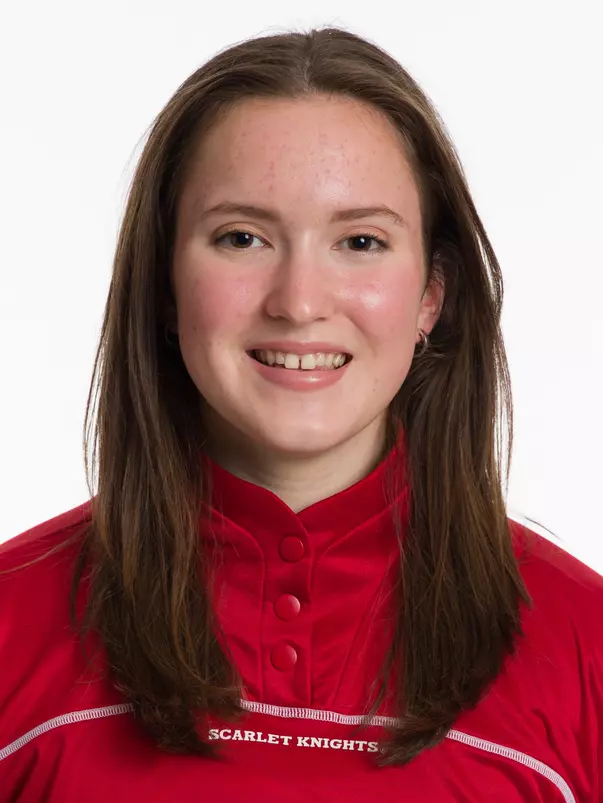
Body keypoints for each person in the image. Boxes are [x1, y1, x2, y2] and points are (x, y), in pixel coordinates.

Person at [0, 25, 601, 803]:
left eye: (359, 240)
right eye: (241, 237)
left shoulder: (585, 647)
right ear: (164, 285)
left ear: (431, 294)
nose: (299, 302)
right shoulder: (10, 625)